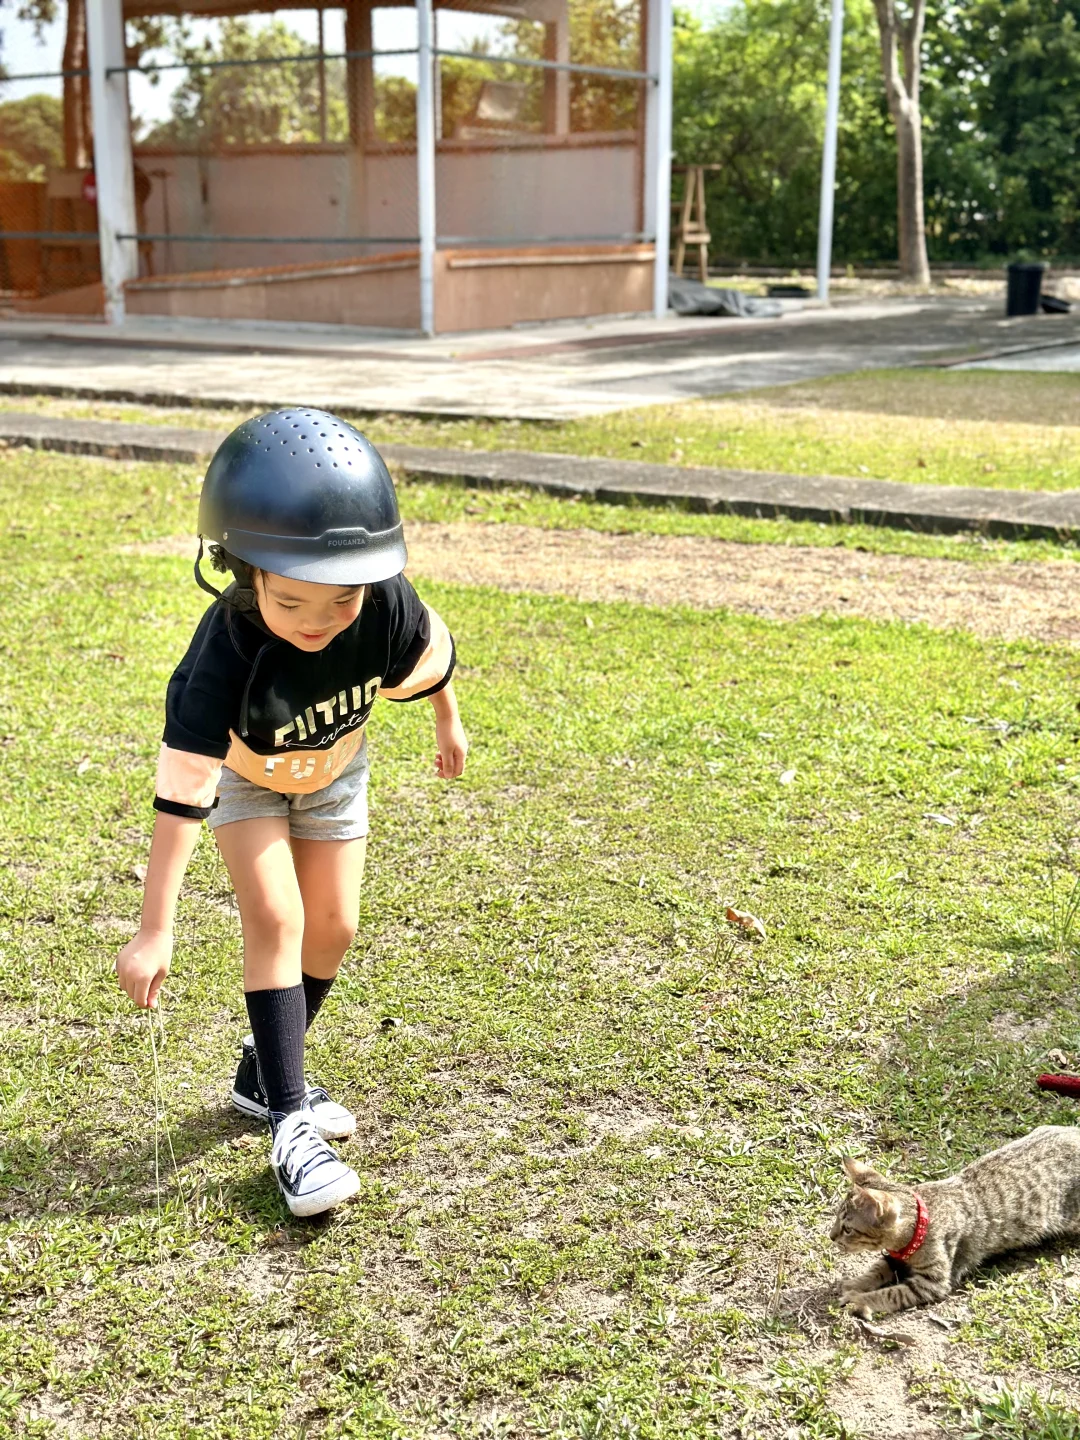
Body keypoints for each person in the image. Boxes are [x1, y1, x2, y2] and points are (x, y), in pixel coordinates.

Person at [115, 408, 467, 1217]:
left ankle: (263, 1070)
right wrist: (155, 928)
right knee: (277, 919)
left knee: (334, 928)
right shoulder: (224, 650)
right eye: (291, 601)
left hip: (335, 772)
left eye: (340, 601)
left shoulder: (386, 604)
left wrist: (448, 721)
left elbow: (429, 653)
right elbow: (182, 794)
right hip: (247, 782)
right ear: (245, 575)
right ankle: (289, 1124)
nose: (317, 621)